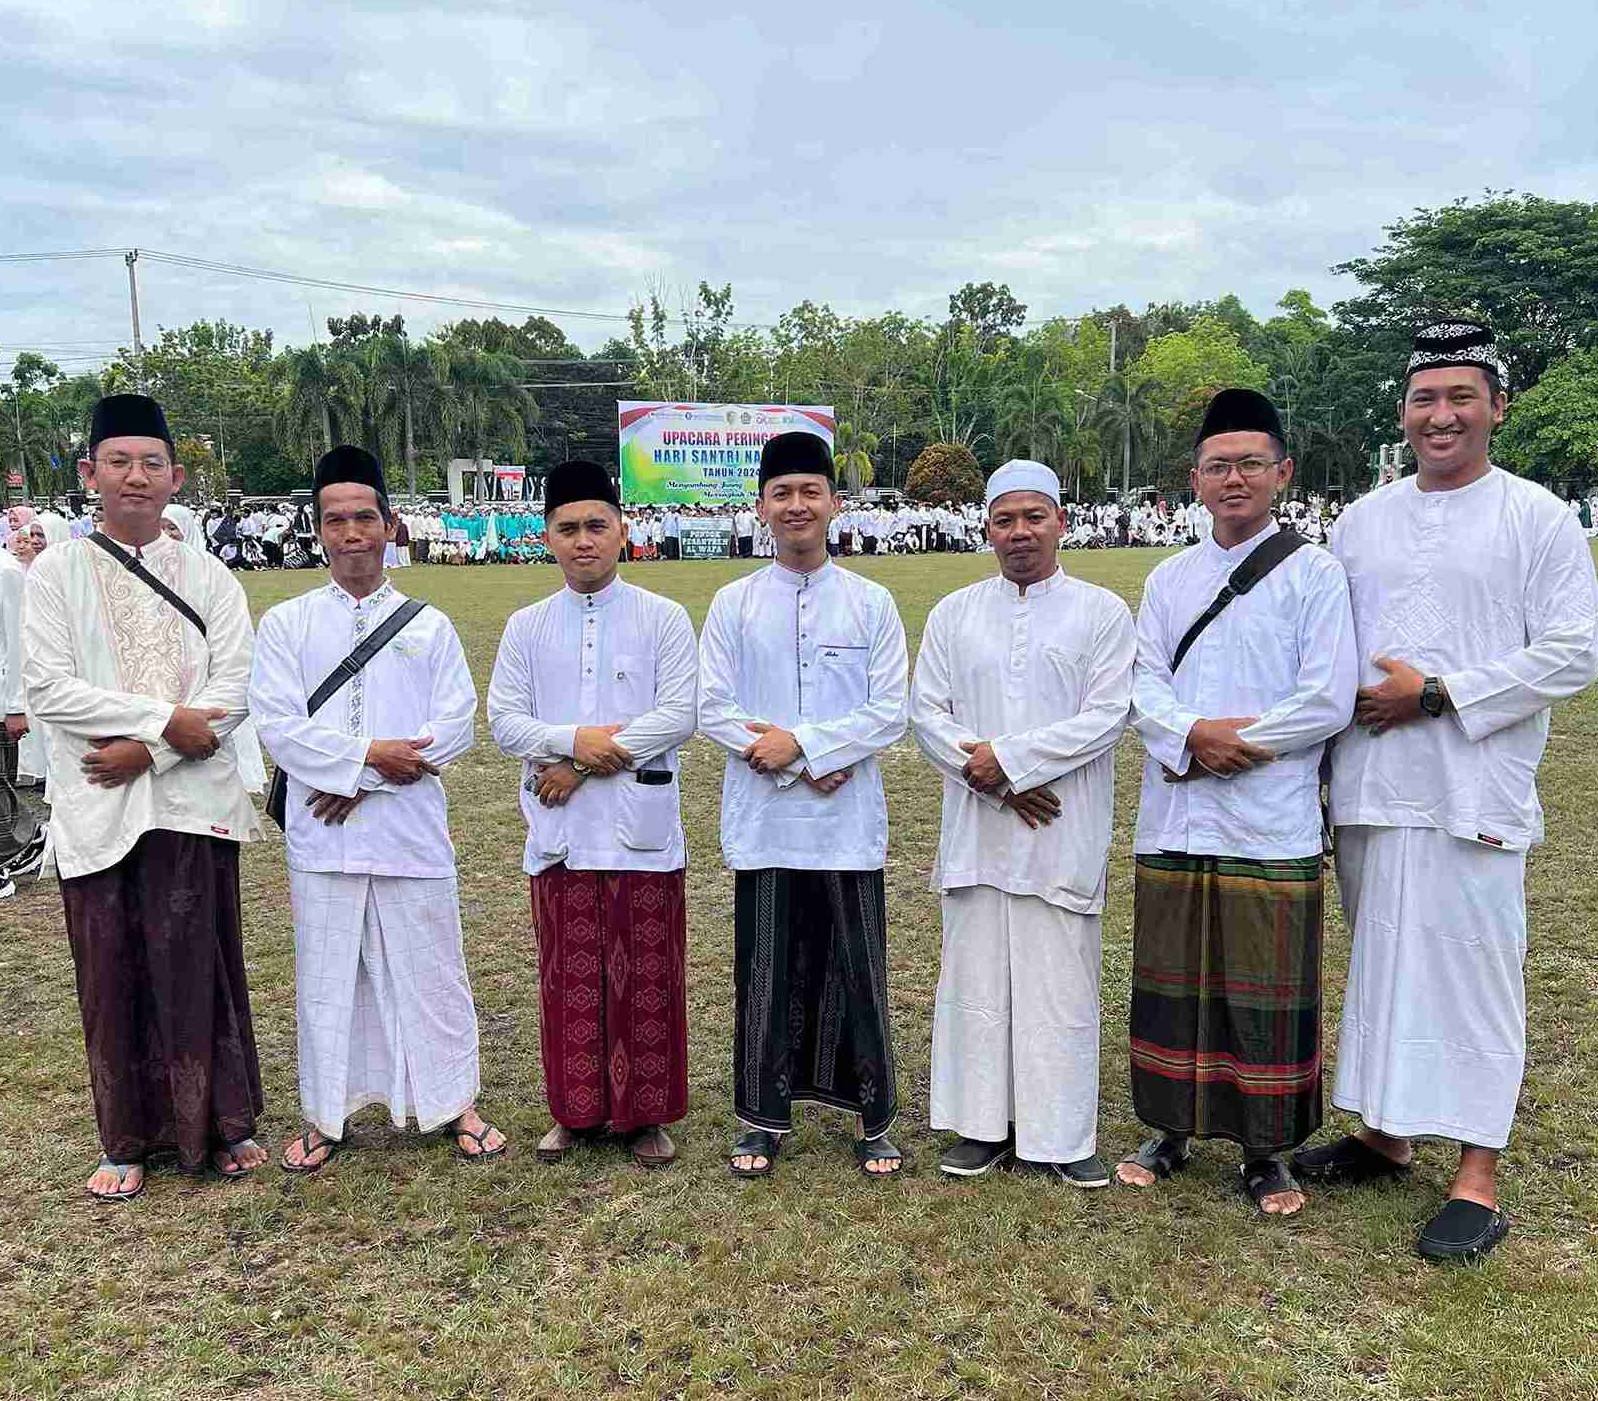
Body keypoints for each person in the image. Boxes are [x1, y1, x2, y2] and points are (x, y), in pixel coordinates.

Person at [1294, 321, 1598, 1261]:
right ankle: (1386, 1135)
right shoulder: (1362, 521)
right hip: (1371, 785)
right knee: (1382, 961)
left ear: (1497, 406)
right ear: (1403, 412)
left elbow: (1575, 651)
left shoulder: (1538, 517)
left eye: (1462, 396)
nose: (1442, 415)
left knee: (1474, 972)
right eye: (1425, 398)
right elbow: (1325, 644)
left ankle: (1476, 1175)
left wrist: (1436, 693)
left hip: (1472, 788)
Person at [1119, 389, 1358, 1215]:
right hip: (1178, 810)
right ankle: (1169, 1130)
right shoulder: (1169, 577)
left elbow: (1327, 697)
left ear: (1282, 473)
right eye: (1218, 465)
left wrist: (1234, 742)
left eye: (1250, 463)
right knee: (1172, 980)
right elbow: (1142, 681)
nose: (1234, 478)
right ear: (1195, 479)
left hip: (1269, 813)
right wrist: (1191, 734)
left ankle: (1266, 1151)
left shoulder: (1315, 574)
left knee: (1263, 987)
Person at [23, 394, 266, 1200]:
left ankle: (224, 1124)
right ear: (89, 473)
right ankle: (126, 1137)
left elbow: (235, 687)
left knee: (201, 962)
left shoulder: (210, 576)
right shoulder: (56, 573)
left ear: (176, 478)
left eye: (151, 462)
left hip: (191, 803)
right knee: (111, 970)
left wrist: (151, 750)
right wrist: (163, 721)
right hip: (99, 804)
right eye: (119, 462)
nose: (136, 476)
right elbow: (48, 688)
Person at [250, 447, 501, 1173]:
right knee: (328, 975)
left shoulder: (428, 625)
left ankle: (455, 1102)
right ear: (318, 531)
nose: (352, 532)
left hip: (407, 830)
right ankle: (325, 1115)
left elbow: (454, 727)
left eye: (365, 517)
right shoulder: (288, 624)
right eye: (336, 520)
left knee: (433, 969)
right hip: (322, 836)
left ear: (391, 526)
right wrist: (368, 758)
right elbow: (278, 726)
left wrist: (365, 778)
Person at [911, 461, 1134, 1185]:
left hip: (1061, 825)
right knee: (976, 977)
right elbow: (927, 713)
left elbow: (1108, 714)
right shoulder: (954, 613)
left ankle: (1063, 1136)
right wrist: (997, 782)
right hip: (979, 825)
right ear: (987, 529)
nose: (1020, 532)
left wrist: (1011, 761)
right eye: (1005, 520)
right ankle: (980, 1127)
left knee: (1058, 980)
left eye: (1034, 517)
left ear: (1061, 521)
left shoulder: (1101, 611)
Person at [699, 432, 909, 1179]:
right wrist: (795, 760)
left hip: (847, 822)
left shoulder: (871, 601)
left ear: (833, 502)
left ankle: (873, 1119)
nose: (796, 505)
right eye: (782, 493)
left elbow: (891, 709)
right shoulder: (734, 603)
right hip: (765, 820)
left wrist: (810, 746)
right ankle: (761, 1118)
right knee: (765, 971)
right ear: (761, 506)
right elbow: (713, 707)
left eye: (809, 491)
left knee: (859, 969)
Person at [488, 459, 698, 1169]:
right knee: (568, 975)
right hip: (562, 832)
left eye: (597, 526)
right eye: (569, 527)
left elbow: (679, 713)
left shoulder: (663, 617)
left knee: (648, 978)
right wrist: (568, 739)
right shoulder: (526, 626)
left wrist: (582, 759)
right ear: (547, 536)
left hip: (639, 826)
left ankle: (647, 1117)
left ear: (622, 531)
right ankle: (573, 1113)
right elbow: (505, 720)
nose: (584, 540)